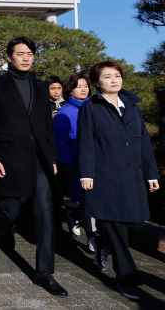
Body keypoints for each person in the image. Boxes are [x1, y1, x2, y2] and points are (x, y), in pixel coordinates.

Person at [0, 36, 67, 297]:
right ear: (10, 57)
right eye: (20, 53)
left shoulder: (41, 86)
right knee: (9, 209)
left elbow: (46, 125)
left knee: (45, 214)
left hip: (39, 160)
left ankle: (45, 273)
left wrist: (51, 158)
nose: (26, 58)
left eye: (30, 53)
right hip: (9, 158)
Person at [78, 61, 160, 300]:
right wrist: (87, 174)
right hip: (105, 179)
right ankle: (127, 278)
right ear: (97, 83)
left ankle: (103, 242)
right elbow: (85, 144)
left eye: (117, 75)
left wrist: (151, 173)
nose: (114, 80)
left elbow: (144, 143)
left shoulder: (133, 107)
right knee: (115, 227)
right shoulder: (91, 108)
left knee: (134, 224)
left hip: (133, 177)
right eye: (107, 76)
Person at [53, 73, 96, 246]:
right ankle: (92, 237)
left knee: (94, 200)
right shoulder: (66, 112)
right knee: (86, 200)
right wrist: (67, 163)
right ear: (70, 90)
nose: (83, 89)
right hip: (76, 163)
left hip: (97, 163)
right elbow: (60, 141)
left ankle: (75, 216)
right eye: (79, 86)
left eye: (85, 85)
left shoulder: (95, 107)